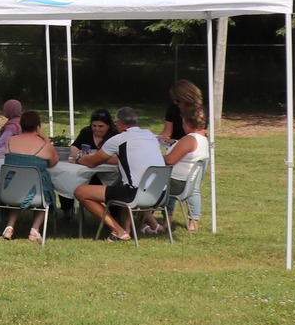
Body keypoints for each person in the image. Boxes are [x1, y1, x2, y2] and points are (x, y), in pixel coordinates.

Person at [73, 107, 167, 242]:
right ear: (137, 121)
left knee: (80, 192)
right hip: (160, 193)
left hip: (135, 194)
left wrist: (78, 159)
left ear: (119, 123)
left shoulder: (119, 139)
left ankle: (119, 231)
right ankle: (142, 226)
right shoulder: (150, 135)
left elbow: (92, 163)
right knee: (123, 183)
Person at [0, 110, 58, 240]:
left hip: (9, 192)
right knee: (45, 192)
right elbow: (53, 163)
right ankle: (34, 229)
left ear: (21, 125)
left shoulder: (10, 141)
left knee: (19, 186)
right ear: (38, 127)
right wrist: (46, 139)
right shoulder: (45, 145)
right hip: (36, 194)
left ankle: (9, 227)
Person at [157, 99, 211, 235]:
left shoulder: (189, 139)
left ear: (188, 123)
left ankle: (144, 222)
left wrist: (154, 158)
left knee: (142, 183)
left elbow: (170, 160)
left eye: (183, 122)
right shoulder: (202, 139)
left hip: (177, 183)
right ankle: (165, 220)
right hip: (187, 182)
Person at [163, 80, 207, 229]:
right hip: (180, 147)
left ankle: (193, 220)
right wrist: (163, 139)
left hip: (190, 150)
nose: (176, 103)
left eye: (178, 100)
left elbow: (169, 160)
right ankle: (167, 219)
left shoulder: (199, 113)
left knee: (192, 187)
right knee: (172, 178)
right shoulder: (173, 109)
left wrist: (176, 143)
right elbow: (167, 131)